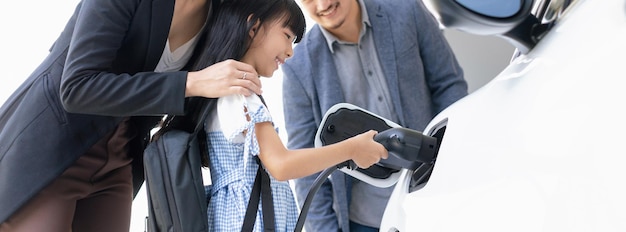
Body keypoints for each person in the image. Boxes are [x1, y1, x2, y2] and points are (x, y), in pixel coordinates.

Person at [0, 0, 265, 231]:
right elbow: (77, 88)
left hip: (121, 156)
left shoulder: (221, 11)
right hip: (56, 148)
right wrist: (189, 83)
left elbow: (274, 18)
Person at [174, 0, 388, 230]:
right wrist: (352, 149)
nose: (290, 51)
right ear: (253, 27)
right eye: (287, 36)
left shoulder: (230, 92)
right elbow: (281, 164)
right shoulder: (239, 94)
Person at [281, 0, 470, 231]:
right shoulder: (297, 66)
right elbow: (305, 162)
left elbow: (449, 83)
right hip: (367, 220)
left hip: (439, 192)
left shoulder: (407, 10)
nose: (324, 4)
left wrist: (453, 157)